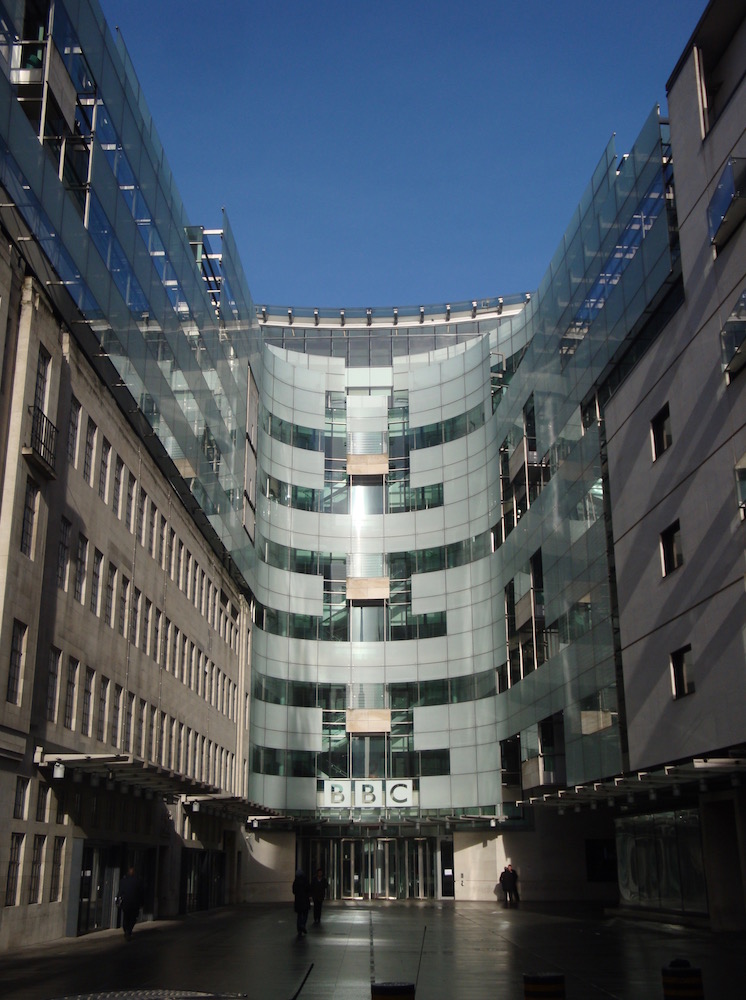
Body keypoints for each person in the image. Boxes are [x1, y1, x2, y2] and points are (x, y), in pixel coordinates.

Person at [117, 867, 144, 939]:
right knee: (133, 918)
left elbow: (120, 892)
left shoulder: (123, 881)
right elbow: (141, 893)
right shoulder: (138, 881)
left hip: (126, 902)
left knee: (126, 917)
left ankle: (126, 929)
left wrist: (118, 901)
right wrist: (142, 903)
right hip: (135, 903)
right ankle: (128, 930)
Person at [292, 868, 311, 936]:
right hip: (305, 900)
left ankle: (299, 929)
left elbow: (294, 891)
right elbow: (309, 889)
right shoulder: (305, 881)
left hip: (298, 901)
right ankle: (303, 925)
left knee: (299, 915)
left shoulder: (295, 882)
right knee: (305, 914)